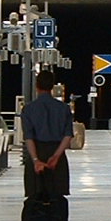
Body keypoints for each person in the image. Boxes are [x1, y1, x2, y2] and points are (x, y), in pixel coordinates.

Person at [21, 69, 74, 201]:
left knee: (34, 197)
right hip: (57, 154)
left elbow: (28, 137)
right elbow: (68, 136)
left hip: (37, 152)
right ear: (52, 86)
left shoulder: (28, 109)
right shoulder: (64, 108)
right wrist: (56, 156)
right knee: (57, 197)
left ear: (37, 86)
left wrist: (35, 160)